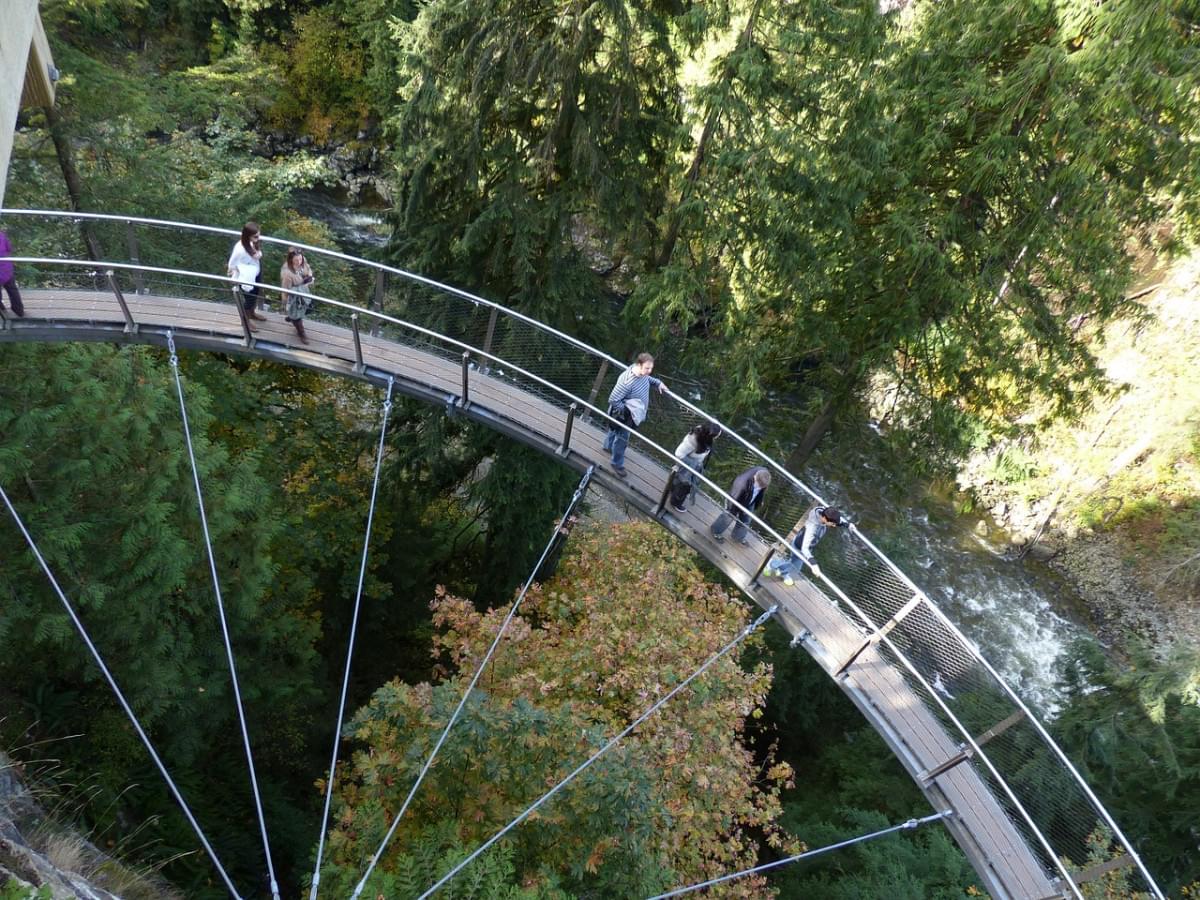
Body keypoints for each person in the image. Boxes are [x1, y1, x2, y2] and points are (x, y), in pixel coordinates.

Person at [602, 352, 665, 477]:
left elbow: (648, 379)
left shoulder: (642, 374)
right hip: (623, 415)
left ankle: (607, 446)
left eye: (651, 368)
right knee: (622, 439)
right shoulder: (628, 381)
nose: (650, 371)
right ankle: (617, 464)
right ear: (639, 364)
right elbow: (613, 399)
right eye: (647, 368)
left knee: (614, 431)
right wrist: (626, 412)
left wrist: (658, 383)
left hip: (627, 414)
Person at [764, 504, 846, 586]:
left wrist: (847, 525)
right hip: (800, 545)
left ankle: (781, 571)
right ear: (824, 519)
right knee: (796, 567)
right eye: (832, 524)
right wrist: (813, 564)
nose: (834, 526)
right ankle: (772, 564)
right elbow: (804, 548)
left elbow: (834, 517)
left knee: (793, 563)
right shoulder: (812, 526)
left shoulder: (822, 511)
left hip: (808, 544)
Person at [711, 466, 771, 544]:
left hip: (750, 499)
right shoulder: (742, 484)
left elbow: (761, 490)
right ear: (755, 478)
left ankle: (737, 536)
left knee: (746, 519)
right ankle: (716, 531)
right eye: (759, 487)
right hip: (736, 500)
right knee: (728, 516)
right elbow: (733, 500)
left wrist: (759, 500)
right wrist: (735, 511)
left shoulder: (765, 474)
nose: (760, 488)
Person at [669, 422, 721, 512]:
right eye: (717, 435)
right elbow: (678, 454)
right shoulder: (692, 441)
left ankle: (672, 490)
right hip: (687, 467)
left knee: (678, 481)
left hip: (692, 465)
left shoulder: (704, 434)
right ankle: (675, 503)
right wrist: (694, 464)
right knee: (685, 485)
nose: (718, 436)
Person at [227, 222, 266, 329]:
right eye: (256, 236)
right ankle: (245, 320)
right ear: (248, 235)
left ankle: (251, 313)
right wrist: (234, 272)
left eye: (259, 235)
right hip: (246, 276)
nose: (258, 238)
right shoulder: (240, 249)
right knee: (249, 299)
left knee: (256, 293)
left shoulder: (252, 242)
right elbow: (232, 263)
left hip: (255, 272)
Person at [280, 248, 315, 344]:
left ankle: (291, 317)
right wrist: (284, 303)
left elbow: (308, 269)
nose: (299, 262)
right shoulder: (287, 273)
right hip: (294, 296)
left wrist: (309, 277)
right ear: (291, 260)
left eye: (300, 259)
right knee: (296, 316)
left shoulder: (303, 261)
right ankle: (301, 333)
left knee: (307, 308)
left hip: (303, 292)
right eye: (296, 260)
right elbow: (285, 290)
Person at [0, 228, 25, 318]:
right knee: (12, 290)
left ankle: (2, 310)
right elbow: (9, 248)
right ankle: (19, 311)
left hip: (2, 267)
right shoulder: (2, 235)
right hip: (6, 268)